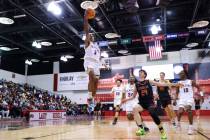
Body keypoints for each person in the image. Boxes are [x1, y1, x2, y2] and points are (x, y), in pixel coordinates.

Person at [121, 70, 181, 139]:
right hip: (142, 103)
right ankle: (141, 128)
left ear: (144, 75)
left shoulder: (149, 81)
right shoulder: (136, 84)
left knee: (153, 114)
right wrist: (125, 99)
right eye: (139, 72)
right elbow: (133, 96)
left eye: (142, 72)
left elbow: (161, 84)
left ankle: (162, 131)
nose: (140, 73)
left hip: (149, 102)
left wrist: (175, 84)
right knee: (135, 108)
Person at [176, 71, 202, 135]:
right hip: (182, 99)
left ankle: (191, 127)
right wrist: (174, 99)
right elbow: (177, 92)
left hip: (189, 98)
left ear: (184, 74)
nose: (180, 75)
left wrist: (201, 95)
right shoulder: (178, 83)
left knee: (188, 109)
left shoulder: (190, 81)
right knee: (180, 112)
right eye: (179, 74)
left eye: (181, 74)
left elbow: (199, 88)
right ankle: (178, 123)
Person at [83, 10, 101, 100]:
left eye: (92, 35)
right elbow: (86, 29)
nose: (91, 35)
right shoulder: (87, 43)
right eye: (89, 35)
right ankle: (89, 96)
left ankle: (93, 98)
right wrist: (85, 18)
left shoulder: (97, 46)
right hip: (89, 62)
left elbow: (98, 57)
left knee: (96, 81)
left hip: (97, 63)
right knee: (92, 77)